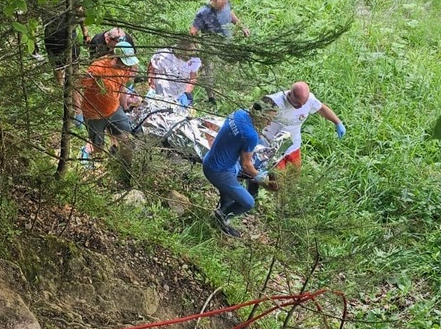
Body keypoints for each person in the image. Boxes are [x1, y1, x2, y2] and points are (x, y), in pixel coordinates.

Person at [243, 81, 345, 202]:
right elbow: (252, 119)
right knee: (276, 184)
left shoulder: (309, 100)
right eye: (297, 104)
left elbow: (321, 108)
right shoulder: (274, 102)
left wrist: (338, 122)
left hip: (293, 145)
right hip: (272, 147)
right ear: (290, 94)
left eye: (303, 104)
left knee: (293, 178)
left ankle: (286, 204)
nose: (301, 107)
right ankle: (252, 184)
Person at [201, 97, 277, 237]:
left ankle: (223, 208)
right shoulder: (250, 135)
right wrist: (261, 178)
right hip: (218, 171)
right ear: (260, 114)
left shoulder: (239, 113)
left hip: (213, 160)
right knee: (248, 202)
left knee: (233, 188)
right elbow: (246, 165)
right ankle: (220, 218)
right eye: (268, 118)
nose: (270, 122)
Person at [75, 40, 140, 163]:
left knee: (126, 140)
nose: (127, 66)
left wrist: (125, 107)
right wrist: (77, 110)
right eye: (125, 63)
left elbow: (121, 87)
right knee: (98, 148)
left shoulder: (126, 69)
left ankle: (126, 167)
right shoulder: (98, 68)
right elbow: (77, 86)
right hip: (94, 113)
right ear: (116, 57)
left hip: (114, 109)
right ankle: (85, 150)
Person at [189, 0, 249, 106]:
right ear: (214, 0)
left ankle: (228, 85)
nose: (223, 6)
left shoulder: (226, 4)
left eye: (225, 2)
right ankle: (211, 98)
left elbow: (231, 14)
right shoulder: (204, 13)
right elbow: (193, 31)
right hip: (211, 48)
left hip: (226, 43)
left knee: (228, 66)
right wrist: (195, 46)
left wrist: (242, 27)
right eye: (220, 4)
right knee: (209, 74)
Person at [147, 37, 202, 107]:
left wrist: (186, 93)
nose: (187, 58)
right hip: (158, 92)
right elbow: (152, 67)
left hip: (178, 95)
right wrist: (151, 85)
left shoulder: (195, 60)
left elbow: (192, 78)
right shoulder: (164, 54)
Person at [43, 5, 88, 88]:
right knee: (71, 67)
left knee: (60, 66)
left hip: (55, 37)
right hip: (56, 37)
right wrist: (85, 33)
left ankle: (63, 89)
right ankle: (68, 90)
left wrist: (85, 33)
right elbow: (80, 11)